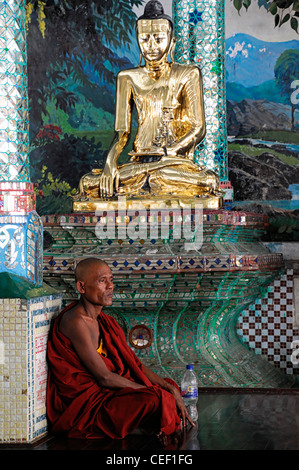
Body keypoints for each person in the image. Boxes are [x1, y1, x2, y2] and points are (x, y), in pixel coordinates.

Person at [77, 0, 219, 201]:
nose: (151, 46)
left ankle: (148, 182)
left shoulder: (188, 74)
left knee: (207, 182)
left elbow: (198, 128)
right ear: (138, 40)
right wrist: (110, 163)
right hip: (139, 162)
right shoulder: (127, 77)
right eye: (145, 39)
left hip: (172, 163)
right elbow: (122, 134)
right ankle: (145, 182)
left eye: (158, 39)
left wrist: (173, 149)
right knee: (88, 183)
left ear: (172, 41)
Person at [46, 257, 194, 439]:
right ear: (81, 287)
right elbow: (104, 378)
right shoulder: (75, 322)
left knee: (169, 386)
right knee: (154, 398)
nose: (110, 286)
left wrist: (167, 388)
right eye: (102, 281)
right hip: (90, 404)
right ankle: (141, 427)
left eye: (111, 279)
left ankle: (144, 424)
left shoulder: (106, 322)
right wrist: (152, 391)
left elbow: (135, 365)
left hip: (110, 392)